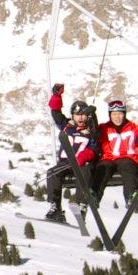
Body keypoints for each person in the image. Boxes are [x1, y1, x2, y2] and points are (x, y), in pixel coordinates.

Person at [40, 85, 98, 224]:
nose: (81, 118)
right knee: (52, 173)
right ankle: (55, 207)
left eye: (84, 115)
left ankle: (81, 204)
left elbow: (95, 148)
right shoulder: (66, 126)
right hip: (65, 163)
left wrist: (84, 157)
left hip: (82, 164)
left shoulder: (91, 130)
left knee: (85, 173)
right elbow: (55, 113)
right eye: (78, 115)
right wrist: (56, 96)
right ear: (72, 115)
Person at [87, 98, 138, 208]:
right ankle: (95, 195)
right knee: (103, 168)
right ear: (110, 115)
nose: (117, 117)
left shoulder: (133, 127)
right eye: (114, 114)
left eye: (120, 114)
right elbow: (95, 133)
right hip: (108, 158)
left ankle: (130, 196)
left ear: (124, 114)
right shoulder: (105, 127)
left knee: (127, 166)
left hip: (127, 158)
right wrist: (92, 117)